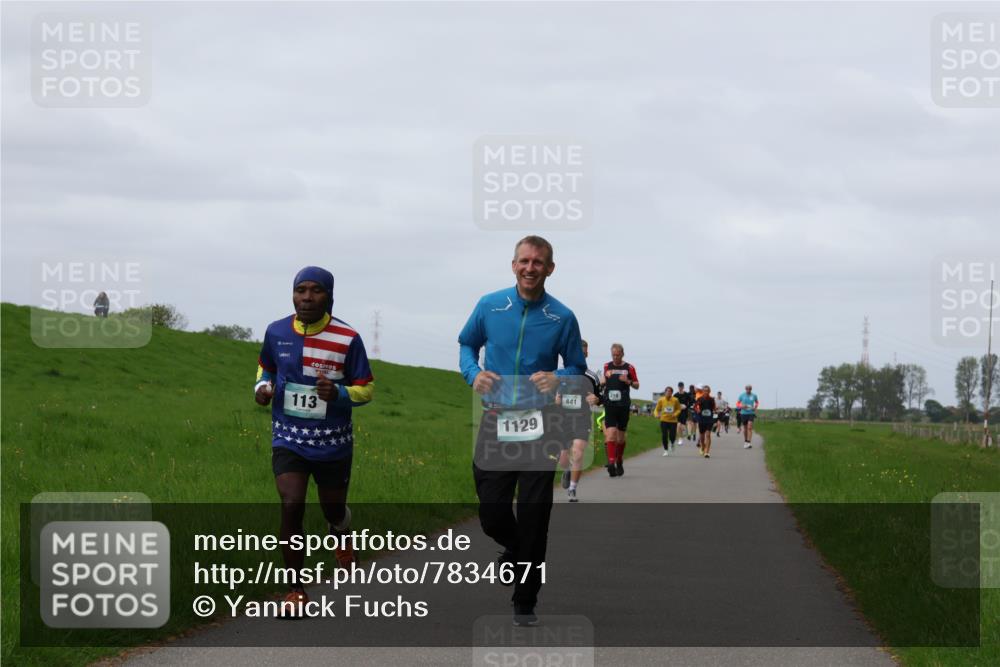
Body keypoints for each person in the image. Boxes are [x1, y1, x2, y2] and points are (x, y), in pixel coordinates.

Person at [458, 235, 586, 627]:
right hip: (497, 420)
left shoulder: (562, 317)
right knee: (492, 511)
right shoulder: (490, 305)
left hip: (541, 423)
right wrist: (474, 373)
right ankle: (516, 550)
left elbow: (577, 367)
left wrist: (558, 377)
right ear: (513, 265)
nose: (531, 268)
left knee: (535, 514)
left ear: (550, 268)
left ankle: (525, 600)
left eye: (539, 262)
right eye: (524, 261)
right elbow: (466, 344)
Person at [254, 266, 374, 616]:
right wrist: (261, 389)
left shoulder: (347, 338)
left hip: (332, 442)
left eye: (315, 291)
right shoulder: (276, 332)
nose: (307, 298)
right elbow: (265, 368)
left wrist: (337, 393)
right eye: (300, 290)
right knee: (292, 505)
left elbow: (366, 389)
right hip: (288, 437)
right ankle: (295, 589)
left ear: (329, 295)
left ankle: (341, 530)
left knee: (332, 509)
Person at [556, 339, 602, 502]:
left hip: (582, 419)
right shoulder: (561, 374)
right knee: (563, 460)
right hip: (563, 420)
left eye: (582, 353)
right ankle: (567, 470)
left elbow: (599, 398)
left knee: (577, 452)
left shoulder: (592, 376)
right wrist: (556, 398)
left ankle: (572, 489)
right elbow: (553, 395)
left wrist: (596, 399)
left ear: (586, 354)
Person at [601, 343, 639, 477]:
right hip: (610, 404)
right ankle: (611, 462)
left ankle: (619, 460)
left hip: (623, 405)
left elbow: (637, 385)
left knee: (621, 438)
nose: (615, 357)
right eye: (613, 355)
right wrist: (604, 379)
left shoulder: (629, 367)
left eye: (618, 355)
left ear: (622, 354)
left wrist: (627, 381)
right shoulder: (607, 366)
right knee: (611, 433)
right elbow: (602, 382)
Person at [653, 386, 682, 456]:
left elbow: (679, 409)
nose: (668, 393)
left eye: (670, 391)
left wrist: (675, 414)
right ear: (665, 392)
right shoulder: (661, 400)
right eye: (667, 391)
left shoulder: (675, 400)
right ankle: (665, 450)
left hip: (673, 421)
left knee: (672, 436)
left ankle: (672, 443)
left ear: (672, 393)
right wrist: (656, 414)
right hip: (664, 420)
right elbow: (657, 409)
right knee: (664, 435)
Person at [694, 384, 717, 458]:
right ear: (702, 391)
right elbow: (696, 407)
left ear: (709, 392)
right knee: (702, 436)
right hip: (701, 419)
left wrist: (715, 417)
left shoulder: (711, 399)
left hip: (709, 420)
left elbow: (714, 409)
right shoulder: (699, 399)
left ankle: (707, 452)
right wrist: (698, 410)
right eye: (704, 391)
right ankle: (703, 446)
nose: (706, 392)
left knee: (708, 434)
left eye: (707, 391)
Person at [737, 384, 760, 449]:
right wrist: (741, 406)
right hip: (743, 413)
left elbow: (757, 402)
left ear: (751, 389)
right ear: (745, 389)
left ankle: (749, 442)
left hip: (751, 413)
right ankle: (745, 441)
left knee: (749, 427)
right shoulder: (742, 395)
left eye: (749, 389)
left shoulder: (754, 395)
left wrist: (755, 407)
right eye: (747, 389)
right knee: (745, 428)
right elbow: (737, 403)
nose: (748, 390)